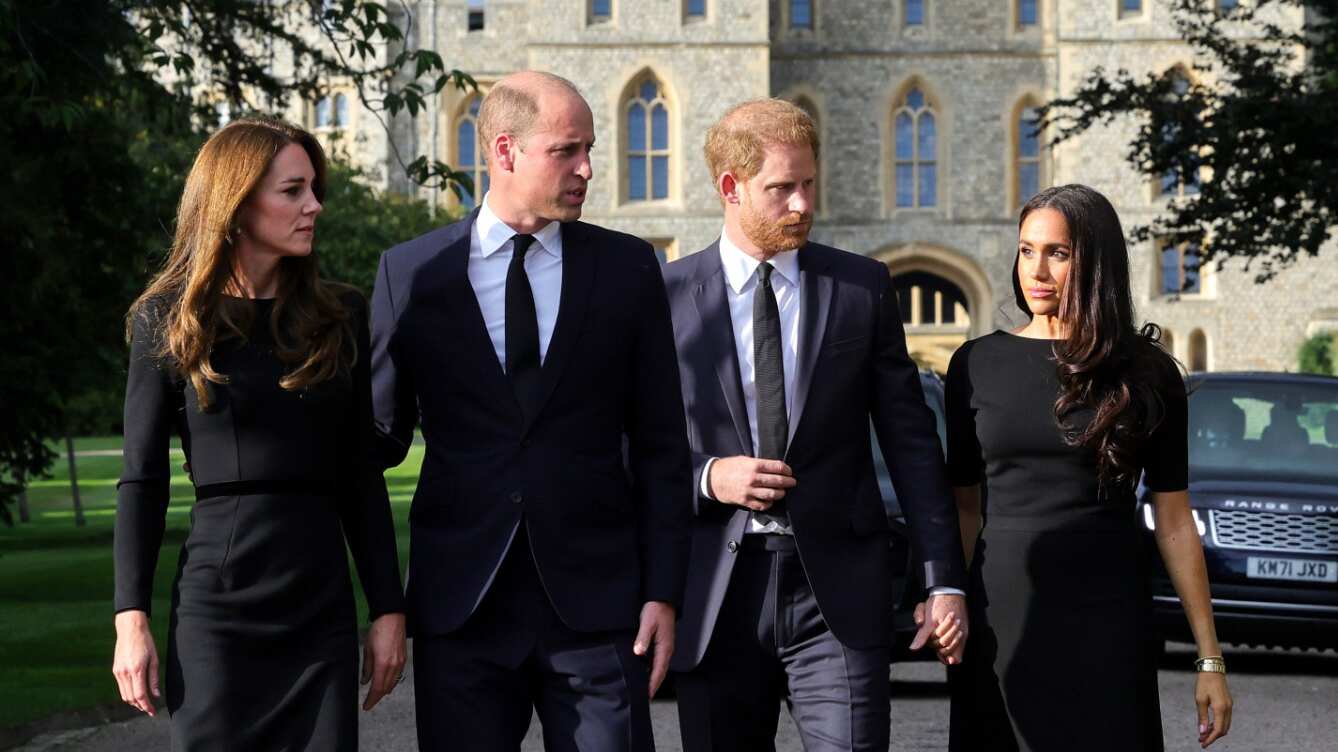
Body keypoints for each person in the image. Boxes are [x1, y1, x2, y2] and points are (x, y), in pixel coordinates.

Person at [368, 71, 692, 751]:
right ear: (506, 151)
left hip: (600, 613)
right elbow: (377, 441)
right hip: (463, 608)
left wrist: (663, 592)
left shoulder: (629, 269)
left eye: (590, 150)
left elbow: (663, 445)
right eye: (567, 151)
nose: (588, 169)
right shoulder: (413, 275)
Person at [661, 98, 969, 752]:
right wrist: (710, 476)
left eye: (808, 184)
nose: (802, 204)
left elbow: (912, 444)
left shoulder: (861, 288)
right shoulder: (664, 299)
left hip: (837, 594)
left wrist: (942, 579)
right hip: (716, 593)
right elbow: (629, 446)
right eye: (781, 189)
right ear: (730, 187)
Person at [111, 118, 406, 750]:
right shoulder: (167, 319)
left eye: (313, 189)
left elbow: (359, 475)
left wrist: (387, 608)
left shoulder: (340, 315)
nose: (314, 206)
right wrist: (129, 618)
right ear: (238, 204)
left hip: (320, 605)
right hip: (218, 613)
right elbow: (142, 479)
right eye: (293, 191)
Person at [943, 184, 1233, 751]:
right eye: (1027, 250)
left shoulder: (1147, 373)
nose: (1037, 270)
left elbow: (1174, 520)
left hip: (1108, 614)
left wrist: (1210, 658)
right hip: (1001, 615)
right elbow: (964, 508)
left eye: (1058, 253)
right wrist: (947, 599)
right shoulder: (975, 364)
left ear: (1096, 261)